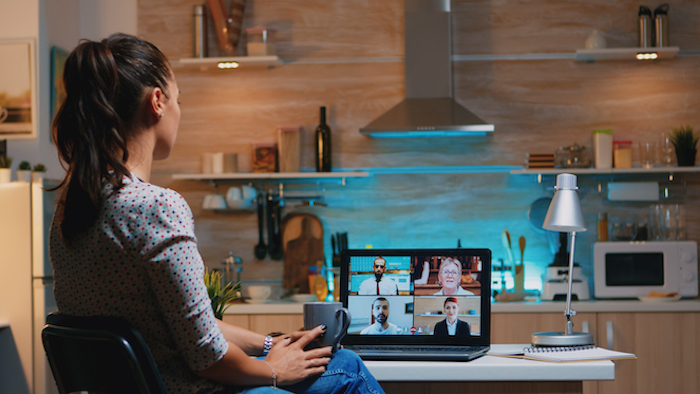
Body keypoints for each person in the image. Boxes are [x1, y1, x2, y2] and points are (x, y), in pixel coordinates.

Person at [49, 33, 385, 394]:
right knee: (346, 366)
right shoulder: (156, 207)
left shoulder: (72, 207)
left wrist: (271, 346)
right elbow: (208, 357)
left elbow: (191, 325)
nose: (180, 111)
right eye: (179, 100)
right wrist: (274, 371)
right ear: (158, 101)